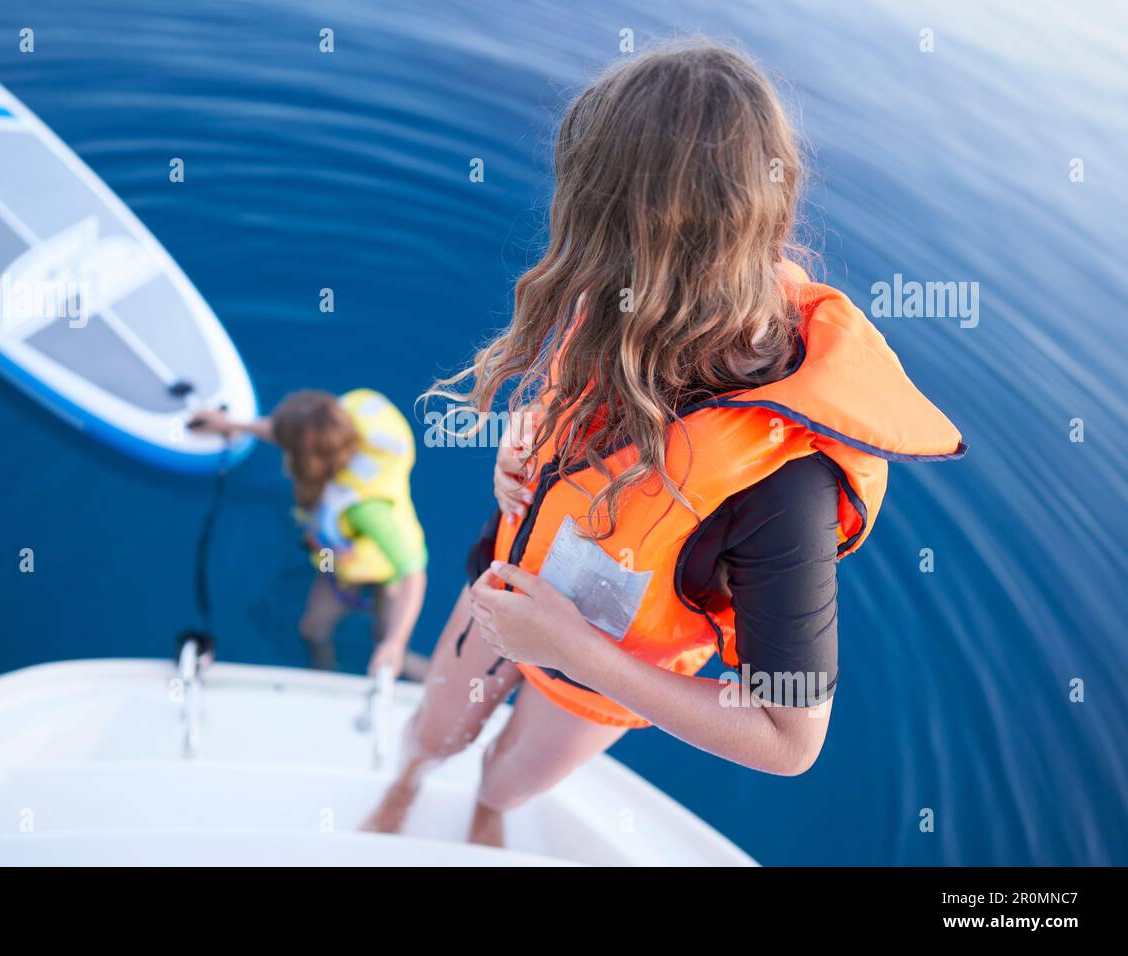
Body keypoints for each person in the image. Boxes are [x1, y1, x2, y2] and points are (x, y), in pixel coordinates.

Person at [363, 40, 965, 846]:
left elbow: (792, 741)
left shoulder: (786, 487)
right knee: (432, 733)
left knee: (505, 781)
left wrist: (574, 650)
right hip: (509, 586)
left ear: (633, 244)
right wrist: (524, 448)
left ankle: (483, 819)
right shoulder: (624, 312)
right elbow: (573, 424)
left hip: (606, 674)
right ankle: (403, 791)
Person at [192, 389, 429, 679]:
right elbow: (285, 433)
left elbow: (412, 571)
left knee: (387, 641)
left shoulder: (365, 509)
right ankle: (326, 675)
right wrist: (230, 425)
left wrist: (396, 641)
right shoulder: (335, 433)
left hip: (387, 572)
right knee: (313, 629)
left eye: (289, 450)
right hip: (337, 562)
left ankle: (421, 672)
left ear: (305, 460)